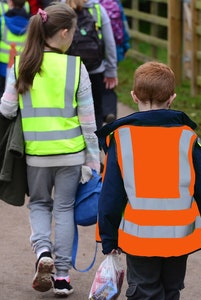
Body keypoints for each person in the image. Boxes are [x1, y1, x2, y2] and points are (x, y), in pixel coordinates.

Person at [0, 2, 100, 297]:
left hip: (36, 154)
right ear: (65, 33)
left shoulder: (22, 65)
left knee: (40, 205)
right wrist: (93, 161)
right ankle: (62, 277)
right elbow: (89, 122)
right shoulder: (76, 67)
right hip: (71, 153)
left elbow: (6, 109)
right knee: (64, 208)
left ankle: (42, 251)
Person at [96, 61, 201, 299]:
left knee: (144, 290)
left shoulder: (122, 139)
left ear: (133, 96)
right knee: (171, 290)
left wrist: (108, 237)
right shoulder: (188, 138)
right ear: (172, 98)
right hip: (178, 238)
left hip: (139, 239)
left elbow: (111, 194)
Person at [66, 0, 118, 131]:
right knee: (96, 109)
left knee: (71, 109)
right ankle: (95, 143)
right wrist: (111, 70)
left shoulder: (60, 8)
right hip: (95, 69)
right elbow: (110, 43)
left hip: (69, 69)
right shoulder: (98, 9)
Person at [0, 0, 30, 97]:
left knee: (3, 92)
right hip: (22, 62)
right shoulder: (31, 22)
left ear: (10, 3)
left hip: (3, 62)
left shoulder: (3, 21)